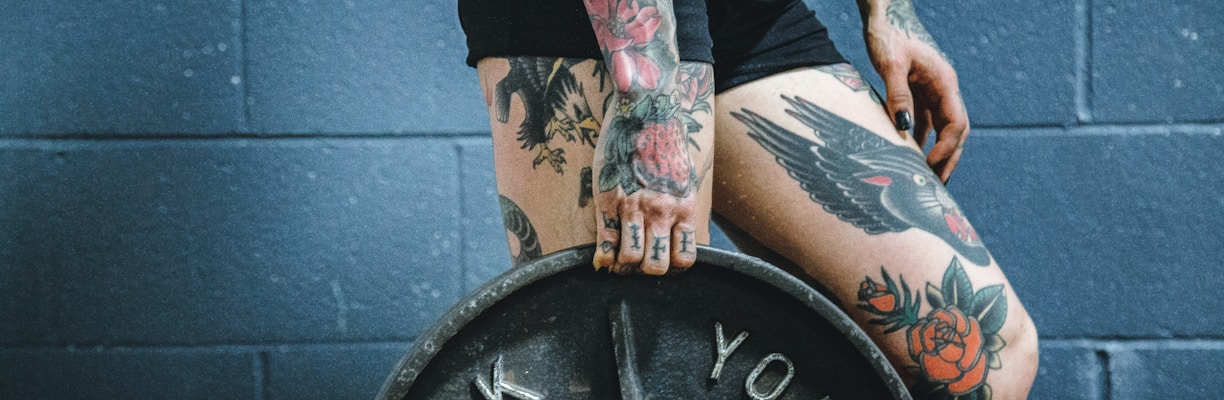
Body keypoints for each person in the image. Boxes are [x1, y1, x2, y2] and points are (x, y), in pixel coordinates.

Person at [459, 0, 1038, 397]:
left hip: (746, 17)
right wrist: (652, 103)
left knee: (989, 356)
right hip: (596, 29)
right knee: (624, 373)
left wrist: (890, 13)